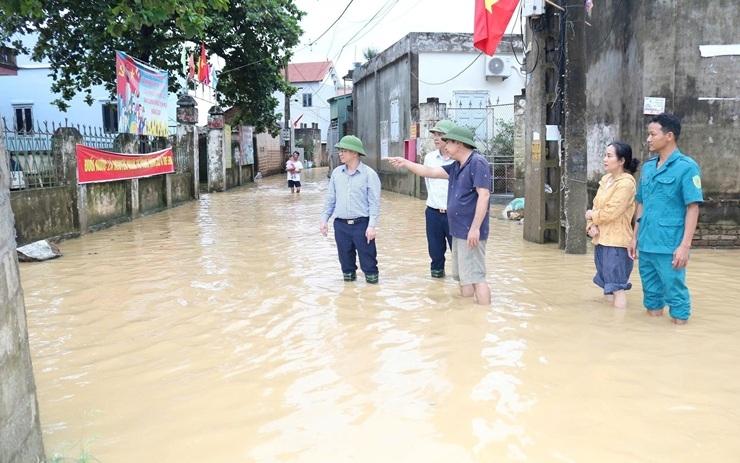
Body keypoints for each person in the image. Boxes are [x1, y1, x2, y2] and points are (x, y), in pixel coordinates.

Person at [388, 125, 492, 305]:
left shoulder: (477, 162)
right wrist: (405, 162)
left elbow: (484, 195)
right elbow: (429, 172)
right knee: (463, 277)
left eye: (448, 142)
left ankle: (484, 314)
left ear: (459, 144)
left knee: (476, 276)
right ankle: (467, 314)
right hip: (458, 230)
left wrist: (475, 228)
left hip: (470, 231)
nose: (445, 146)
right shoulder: (457, 166)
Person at [628, 113, 703, 324]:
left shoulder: (687, 167)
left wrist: (684, 246)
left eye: (653, 134)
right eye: (648, 134)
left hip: (670, 245)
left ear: (669, 136)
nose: (648, 139)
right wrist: (635, 237)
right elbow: (641, 203)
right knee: (651, 297)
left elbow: (693, 207)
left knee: (676, 295)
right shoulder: (649, 167)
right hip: (647, 243)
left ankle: (680, 339)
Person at [585, 142, 640, 309]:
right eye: (605, 155)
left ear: (621, 160)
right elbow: (596, 206)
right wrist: (590, 226)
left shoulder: (626, 183)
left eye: (609, 156)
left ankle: (618, 327)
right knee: (607, 286)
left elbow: (612, 211)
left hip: (617, 243)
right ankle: (607, 325)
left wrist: (591, 216)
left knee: (617, 287)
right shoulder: (606, 179)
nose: (604, 159)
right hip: (600, 239)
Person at [320, 135, 381, 284]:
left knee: (369, 265)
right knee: (346, 266)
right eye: (340, 150)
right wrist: (324, 220)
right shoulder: (336, 174)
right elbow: (330, 199)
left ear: (355, 153)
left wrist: (371, 226)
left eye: (344, 151)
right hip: (341, 225)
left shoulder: (369, 175)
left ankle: (372, 297)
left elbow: (374, 203)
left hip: (362, 225)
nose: (340, 153)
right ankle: (349, 299)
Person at [424, 120, 456, 278]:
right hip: (433, 213)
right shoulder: (429, 158)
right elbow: (428, 183)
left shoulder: (459, 160)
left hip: (454, 214)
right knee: (435, 252)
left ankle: (463, 284)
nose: (436, 138)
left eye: (440, 135)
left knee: (458, 252)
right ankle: (437, 283)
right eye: (434, 135)